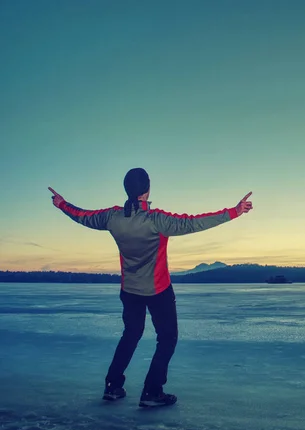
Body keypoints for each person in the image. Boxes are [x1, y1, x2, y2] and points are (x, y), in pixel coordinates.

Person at [48, 168, 253, 408]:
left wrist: (62, 203)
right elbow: (193, 223)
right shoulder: (157, 220)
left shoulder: (112, 217)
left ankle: (113, 385)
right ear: (147, 191)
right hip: (158, 291)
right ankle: (152, 392)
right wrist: (234, 212)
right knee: (167, 338)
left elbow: (83, 215)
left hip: (130, 290)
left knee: (131, 334)